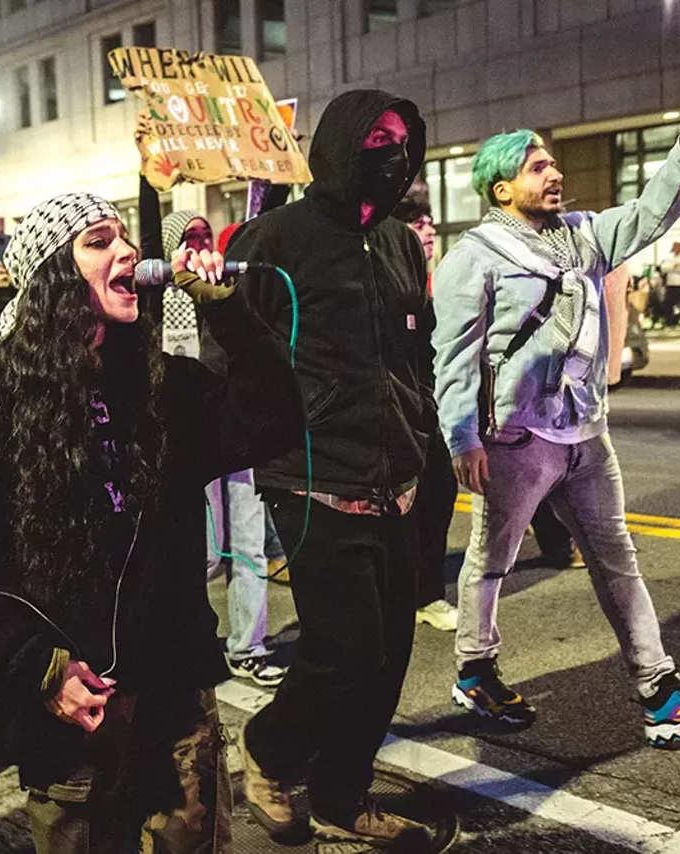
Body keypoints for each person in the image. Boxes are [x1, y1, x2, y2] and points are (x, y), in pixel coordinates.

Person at [0, 192, 304, 853]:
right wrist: (38, 669)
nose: (127, 251)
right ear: (55, 275)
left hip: (177, 708)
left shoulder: (163, 387)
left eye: (125, 237)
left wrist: (228, 313)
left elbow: (273, 420)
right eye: (98, 240)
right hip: (78, 729)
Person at [229, 90, 435, 846]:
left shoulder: (401, 242)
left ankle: (342, 796)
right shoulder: (275, 237)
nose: (395, 152)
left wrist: (427, 448)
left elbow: (416, 354)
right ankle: (268, 750)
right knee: (345, 647)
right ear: (343, 143)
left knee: (388, 656)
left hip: (398, 480)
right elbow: (238, 354)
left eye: (402, 138)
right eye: (377, 137)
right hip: (312, 478)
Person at [432, 128, 680, 744]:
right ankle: (475, 668)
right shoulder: (475, 254)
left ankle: (657, 683)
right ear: (501, 186)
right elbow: (455, 356)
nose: (554, 173)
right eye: (537, 166)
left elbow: (653, 212)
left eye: (552, 163)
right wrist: (462, 438)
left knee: (617, 559)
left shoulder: (585, 235)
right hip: (518, 438)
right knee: (493, 558)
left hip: (585, 433)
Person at [161, 208, 286, 686]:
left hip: (236, 433)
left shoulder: (225, 290)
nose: (198, 243)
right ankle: (182, 635)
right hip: (190, 442)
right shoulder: (154, 298)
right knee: (207, 553)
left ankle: (247, 646)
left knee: (250, 547)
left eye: (204, 234)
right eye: (188, 237)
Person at [391, 182, 458, 632]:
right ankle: (413, 594)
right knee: (409, 509)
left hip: (432, 407)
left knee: (440, 495)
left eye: (430, 221)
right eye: (418, 223)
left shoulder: (432, 278)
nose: (429, 230)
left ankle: (425, 593)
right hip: (399, 413)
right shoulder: (390, 279)